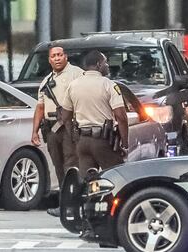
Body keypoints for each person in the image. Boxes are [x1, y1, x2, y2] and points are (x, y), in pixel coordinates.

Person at [59, 50, 129, 180]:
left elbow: (65, 117)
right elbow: (121, 117)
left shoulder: (73, 85)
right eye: (105, 62)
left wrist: (74, 136)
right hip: (103, 141)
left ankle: (89, 200)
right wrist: (124, 143)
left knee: (88, 181)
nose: (107, 65)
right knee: (118, 177)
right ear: (98, 65)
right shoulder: (108, 85)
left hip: (83, 142)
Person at [31, 46, 84, 217]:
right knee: (59, 167)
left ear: (66, 56)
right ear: (49, 60)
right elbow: (40, 107)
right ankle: (64, 204)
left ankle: (75, 204)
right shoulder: (46, 81)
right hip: (52, 128)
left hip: (70, 126)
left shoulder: (77, 74)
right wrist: (34, 132)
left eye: (60, 55)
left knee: (71, 166)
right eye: (53, 56)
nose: (57, 58)